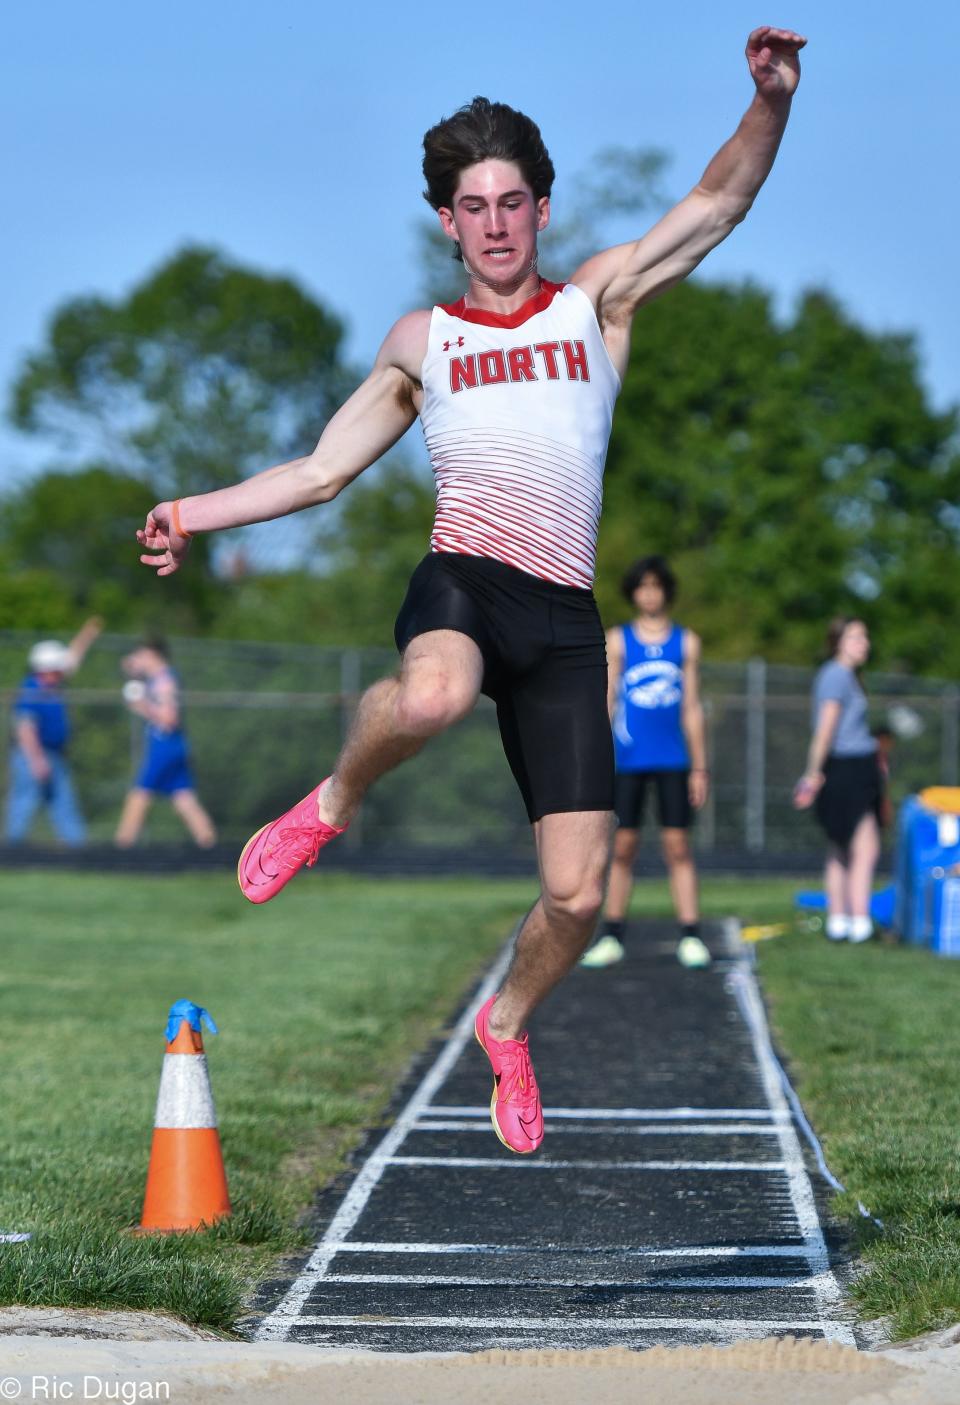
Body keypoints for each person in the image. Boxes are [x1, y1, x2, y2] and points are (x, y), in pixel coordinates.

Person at [137, 26, 806, 1153]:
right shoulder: (423, 340)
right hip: (464, 578)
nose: (495, 224)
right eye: (473, 205)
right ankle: (331, 807)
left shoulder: (593, 305)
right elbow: (319, 470)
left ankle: (506, 1025)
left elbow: (715, 205)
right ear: (446, 221)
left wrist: (772, 103)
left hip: (560, 619)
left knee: (580, 894)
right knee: (434, 695)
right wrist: (189, 512)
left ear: (541, 207)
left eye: (513, 201)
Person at [581, 556, 710, 970]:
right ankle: (613, 934)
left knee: (677, 846)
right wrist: (598, 753)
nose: (649, 594)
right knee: (623, 847)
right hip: (628, 759)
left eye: (656, 586)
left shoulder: (685, 642)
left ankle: (691, 934)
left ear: (666, 592)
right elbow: (608, 698)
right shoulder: (618, 639)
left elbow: (691, 706)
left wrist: (700, 766)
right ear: (633, 593)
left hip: (673, 758)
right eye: (642, 587)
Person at [794, 617, 881, 944]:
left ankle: (840, 919)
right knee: (863, 847)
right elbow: (825, 730)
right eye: (856, 637)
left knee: (841, 847)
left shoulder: (850, 677)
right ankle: (856, 920)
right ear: (838, 642)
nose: (864, 643)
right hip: (846, 768)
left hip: (853, 766)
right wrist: (813, 773)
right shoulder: (837, 675)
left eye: (865, 636)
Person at [5, 618, 103, 846]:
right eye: (56, 668)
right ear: (44, 669)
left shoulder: (53, 685)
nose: (61, 671)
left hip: (54, 754)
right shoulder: (31, 690)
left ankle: (78, 851)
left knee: (63, 802)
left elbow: (73, 659)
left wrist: (87, 634)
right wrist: (37, 760)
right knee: (24, 802)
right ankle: (12, 850)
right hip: (32, 755)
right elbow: (25, 729)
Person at [114, 638, 217, 849]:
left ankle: (121, 847)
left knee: (139, 794)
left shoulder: (164, 680)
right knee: (183, 798)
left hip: (165, 746)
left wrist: (142, 706)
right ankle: (208, 843)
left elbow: (169, 719)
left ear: (152, 654)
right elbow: (134, 673)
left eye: (141, 655)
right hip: (174, 745)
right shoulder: (160, 677)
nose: (138, 660)